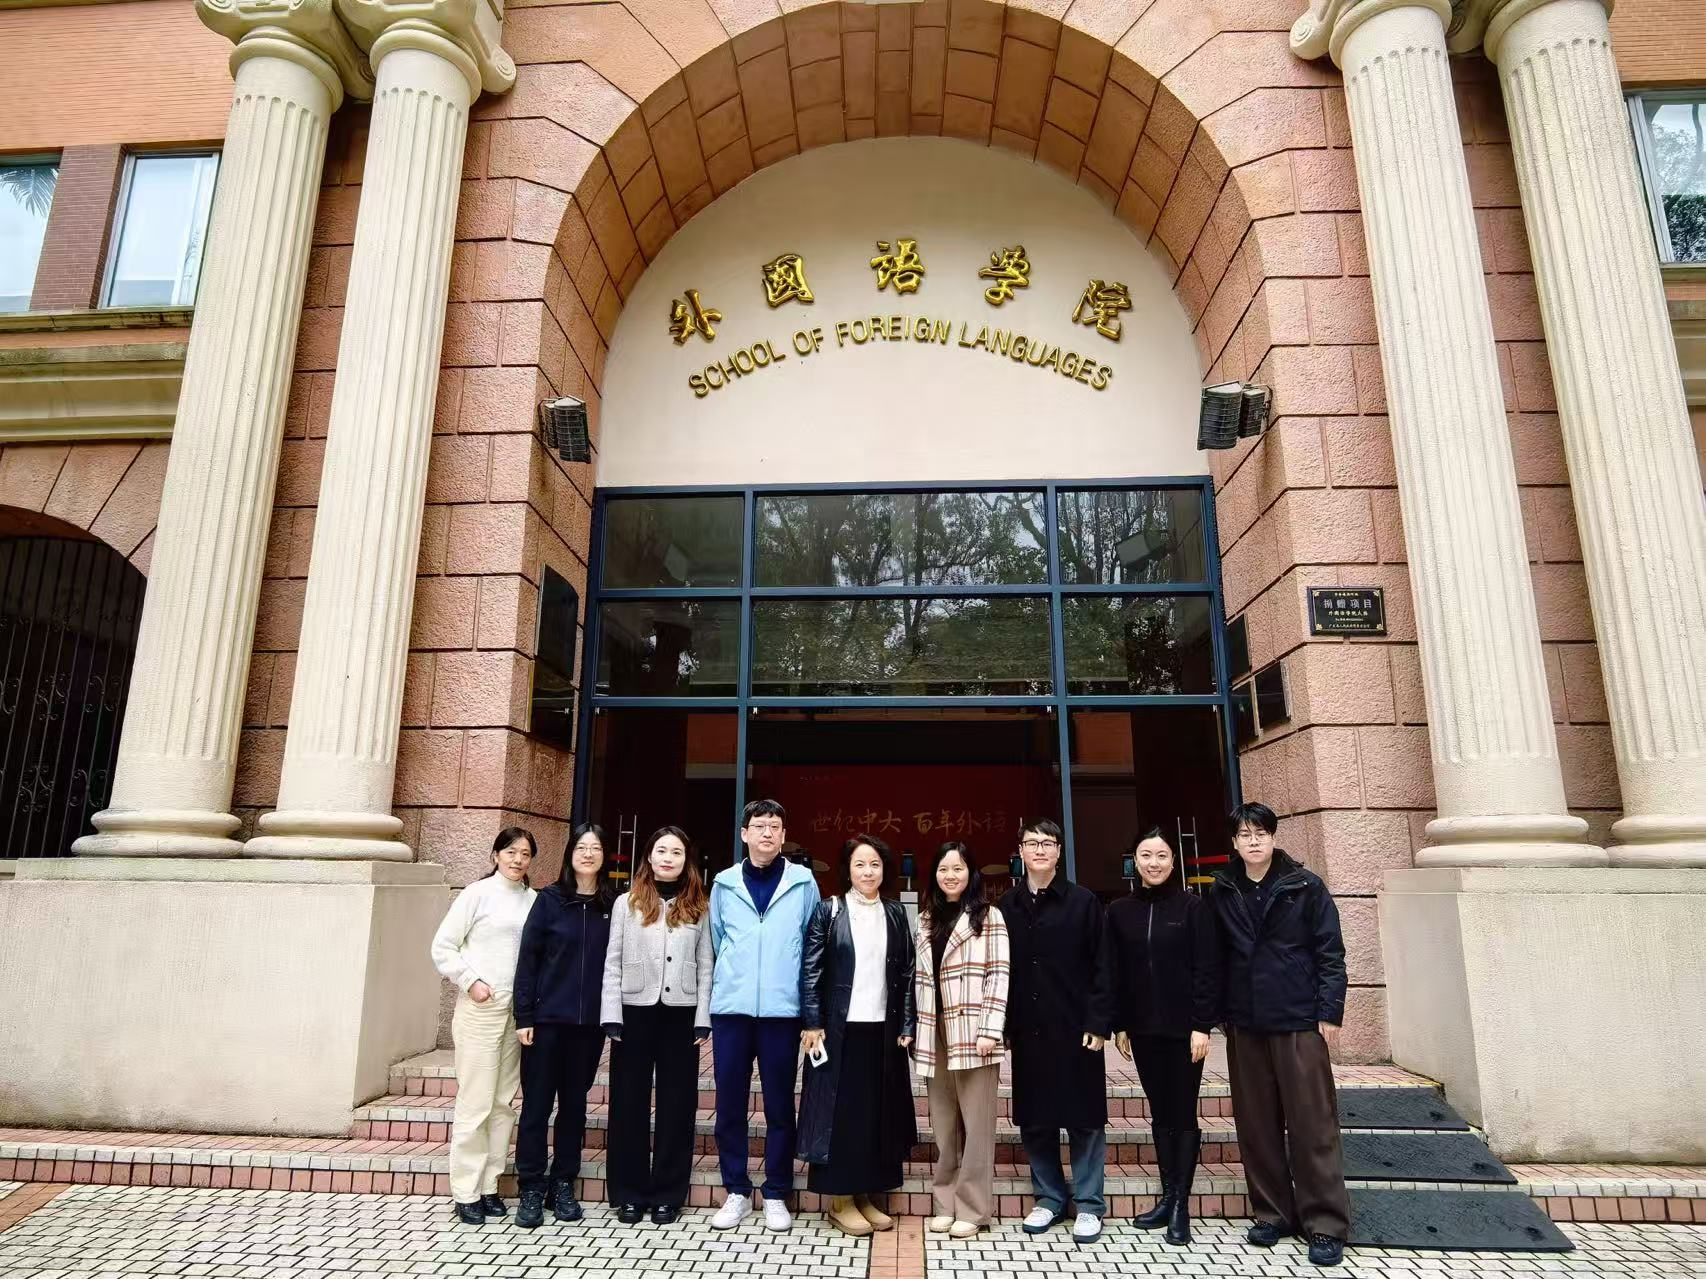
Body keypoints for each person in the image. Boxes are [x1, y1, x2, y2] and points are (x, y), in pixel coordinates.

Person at [1207, 802, 1350, 1269]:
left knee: (1312, 1124)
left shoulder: (1305, 886)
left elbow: (1330, 951)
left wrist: (1329, 1011)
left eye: (1260, 833)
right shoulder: (1223, 889)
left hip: (1297, 1019)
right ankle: (1273, 1213)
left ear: (1273, 837)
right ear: (1234, 843)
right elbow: (1214, 957)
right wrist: (1216, 1015)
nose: (1253, 841)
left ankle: (1325, 1223)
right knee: (1257, 1125)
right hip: (1245, 1022)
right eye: (1244, 835)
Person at [999, 818, 1115, 1245]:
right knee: (1036, 1118)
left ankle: (1089, 1204)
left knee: (1085, 1118)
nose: (1040, 850)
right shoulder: (1006, 906)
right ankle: (1049, 1197)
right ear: (1021, 851)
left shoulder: (1083, 902)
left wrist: (1099, 1022)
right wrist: (1003, 1026)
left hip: (1076, 1027)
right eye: (1032, 843)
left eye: (1048, 843)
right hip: (1028, 1030)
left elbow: (1103, 965)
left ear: (1059, 851)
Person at [706, 799, 821, 1231]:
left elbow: (812, 945)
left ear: (784, 834)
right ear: (744, 834)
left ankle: (776, 1192)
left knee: (779, 1106)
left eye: (775, 826)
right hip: (732, 1010)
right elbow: (717, 939)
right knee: (729, 1104)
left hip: (781, 1011)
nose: (767, 833)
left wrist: (810, 1013)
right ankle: (736, 1190)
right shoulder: (724, 883)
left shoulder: (803, 883)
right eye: (759, 826)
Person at [798, 835, 918, 1236]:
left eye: (875, 864)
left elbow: (907, 973)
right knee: (842, 1115)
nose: (868, 872)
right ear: (847, 869)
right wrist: (812, 1021)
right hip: (838, 1030)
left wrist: (906, 1024)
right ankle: (840, 1200)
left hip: (882, 1030)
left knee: (874, 1115)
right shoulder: (829, 910)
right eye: (860, 864)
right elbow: (811, 969)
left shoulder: (895, 912)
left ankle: (865, 1194)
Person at [1107, 828, 1221, 1246]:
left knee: (1183, 1113)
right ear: (1134, 861)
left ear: (1173, 862)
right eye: (1145, 855)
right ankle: (1167, 1195)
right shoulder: (1119, 911)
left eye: (1161, 856)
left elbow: (1207, 968)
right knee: (1159, 1112)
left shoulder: (1193, 908)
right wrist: (1119, 1023)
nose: (1153, 863)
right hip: (1143, 1030)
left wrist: (1202, 1024)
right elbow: (1114, 971)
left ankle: (1180, 1206)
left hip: (1184, 1031)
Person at [600, 826, 714, 1225]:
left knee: (676, 1105)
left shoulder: (699, 905)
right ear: (649, 856)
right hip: (634, 1011)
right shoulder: (627, 903)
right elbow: (612, 961)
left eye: (676, 852)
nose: (668, 858)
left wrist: (702, 1020)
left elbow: (706, 966)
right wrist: (611, 1014)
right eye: (662, 851)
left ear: (686, 860)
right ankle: (629, 1193)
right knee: (627, 1103)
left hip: (680, 1013)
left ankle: (668, 1193)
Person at [430, 827, 538, 1226]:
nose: (517, 860)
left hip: (516, 1012)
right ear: (495, 855)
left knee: (503, 1102)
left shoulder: (533, 900)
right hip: (481, 1008)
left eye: (525, 854)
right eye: (510, 852)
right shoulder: (476, 894)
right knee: (475, 1102)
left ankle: (490, 1184)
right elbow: (443, 946)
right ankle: (466, 1191)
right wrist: (471, 981)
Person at [510, 823, 615, 1229]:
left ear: (604, 856)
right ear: (571, 854)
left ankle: (563, 1183)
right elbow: (528, 961)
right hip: (546, 1023)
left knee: (574, 1107)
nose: (588, 854)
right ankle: (531, 1186)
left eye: (596, 848)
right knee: (537, 1106)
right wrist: (524, 1016)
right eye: (581, 847)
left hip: (587, 1027)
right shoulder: (549, 901)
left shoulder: (613, 904)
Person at [914, 841, 1009, 1239]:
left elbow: (999, 974)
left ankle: (973, 1208)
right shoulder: (925, 918)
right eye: (943, 869)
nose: (950, 876)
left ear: (971, 873)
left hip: (974, 1032)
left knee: (977, 1123)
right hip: (933, 1029)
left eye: (957, 868)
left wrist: (990, 1029)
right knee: (944, 1122)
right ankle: (945, 1202)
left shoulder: (989, 916)